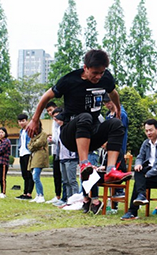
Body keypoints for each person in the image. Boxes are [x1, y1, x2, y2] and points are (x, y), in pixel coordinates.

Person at [26, 50, 132, 198]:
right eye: (94, 73)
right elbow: (46, 96)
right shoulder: (70, 80)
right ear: (85, 67)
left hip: (91, 134)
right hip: (70, 134)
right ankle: (84, 164)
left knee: (116, 124)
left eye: (101, 73)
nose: (98, 77)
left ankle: (110, 170)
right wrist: (35, 119)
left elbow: (113, 93)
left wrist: (118, 110)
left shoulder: (106, 78)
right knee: (85, 117)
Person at [121, 119, 157, 220]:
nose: (148, 133)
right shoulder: (146, 143)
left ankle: (132, 211)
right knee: (138, 173)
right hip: (150, 174)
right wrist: (138, 164)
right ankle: (141, 196)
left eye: (151, 130)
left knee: (139, 181)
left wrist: (148, 174)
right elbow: (140, 157)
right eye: (146, 131)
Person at [52, 108, 79, 207]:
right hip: (62, 157)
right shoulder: (59, 129)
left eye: (58, 119)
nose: (57, 121)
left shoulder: (70, 128)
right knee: (65, 180)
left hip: (71, 157)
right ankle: (69, 200)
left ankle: (76, 200)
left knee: (72, 180)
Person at [45, 101, 65, 204]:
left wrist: (54, 140)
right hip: (56, 151)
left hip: (63, 151)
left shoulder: (61, 121)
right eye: (48, 111)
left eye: (51, 110)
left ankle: (64, 197)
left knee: (64, 177)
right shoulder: (53, 122)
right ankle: (57, 195)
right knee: (56, 175)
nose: (49, 112)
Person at [28, 120, 49, 203]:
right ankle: (37, 194)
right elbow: (29, 146)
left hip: (40, 157)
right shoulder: (33, 136)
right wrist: (34, 146)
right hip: (34, 157)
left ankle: (41, 195)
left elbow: (39, 143)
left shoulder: (43, 134)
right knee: (34, 176)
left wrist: (34, 145)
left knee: (35, 176)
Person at [15, 114, 34, 200]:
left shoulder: (30, 130)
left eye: (23, 121)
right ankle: (25, 192)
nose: (21, 123)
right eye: (19, 121)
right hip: (22, 153)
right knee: (24, 174)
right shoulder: (21, 131)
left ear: (27, 121)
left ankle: (29, 193)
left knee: (29, 174)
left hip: (28, 153)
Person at [0, 127, 11, 198]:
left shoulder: (6, 141)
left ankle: (3, 192)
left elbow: (0, 150)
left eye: (2, 132)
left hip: (4, 161)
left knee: (3, 177)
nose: (0, 134)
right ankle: (1, 192)